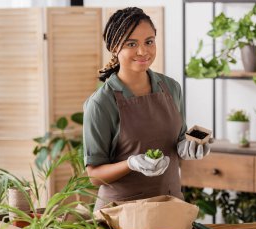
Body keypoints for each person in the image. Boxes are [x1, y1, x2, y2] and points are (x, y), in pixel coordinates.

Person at [83, 7, 211, 211]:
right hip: (121, 215)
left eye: (149, 42)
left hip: (170, 208)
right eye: (131, 44)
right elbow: (94, 176)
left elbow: (178, 139)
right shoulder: (101, 103)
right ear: (115, 47)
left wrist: (189, 147)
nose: (143, 51)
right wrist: (131, 164)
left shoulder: (171, 88)